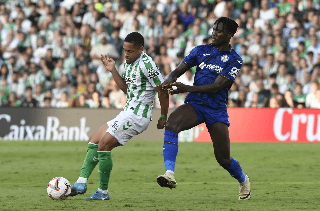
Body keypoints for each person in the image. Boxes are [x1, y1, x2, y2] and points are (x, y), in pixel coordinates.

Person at [156, 17, 251, 200]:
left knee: (223, 159)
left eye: (219, 30)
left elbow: (217, 86)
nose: (214, 32)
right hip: (196, 104)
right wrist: (168, 81)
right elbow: (177, 71)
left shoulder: (234, 60)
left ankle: (243, 179)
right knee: (172, 124)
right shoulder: (200, 50)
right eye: (214, 29)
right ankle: (170, 174)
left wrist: (186, 88)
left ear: (230, 35)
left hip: (216, 109)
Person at [70, 32, 169, 200]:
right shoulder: (128, 63)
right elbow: (127, 89)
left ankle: (103, 192)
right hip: (127, 111)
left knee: (104, 145)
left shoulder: (147, 65)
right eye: (124, 50)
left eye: (130, 51)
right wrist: (113, 70)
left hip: (138, 116)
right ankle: (81, 182)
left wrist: (164, 117)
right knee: (94, 140)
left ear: (140, 49)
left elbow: (163, 91)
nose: (126, 54)